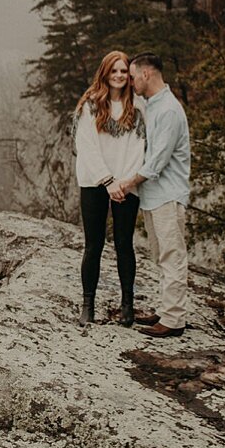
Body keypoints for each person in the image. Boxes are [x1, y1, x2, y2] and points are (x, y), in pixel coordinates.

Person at [112, 52, 191, 338]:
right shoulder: (153, 106)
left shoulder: (169, 110)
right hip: (154, 197)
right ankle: (167, 309)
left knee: (172, 255)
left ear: (146, 74)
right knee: (161, 255)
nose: (130, 82)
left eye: (132, 77)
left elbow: (156, 162)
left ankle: (173, 320)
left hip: (168, 196)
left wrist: (125, 182)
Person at [73, 51, 146, 327]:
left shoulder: (137, 107)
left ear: (130, 75)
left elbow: (138, 147)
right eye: (113, 71)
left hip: (126, 186)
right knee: (94, 244)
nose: (118, 76)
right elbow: (87, 147)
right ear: (105, 73)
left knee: (124, 244)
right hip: (94, 182)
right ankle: (88, 304)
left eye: (123, 71)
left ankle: (127, 305)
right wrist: (107, 180)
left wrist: (124, 182)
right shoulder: (90, 106)